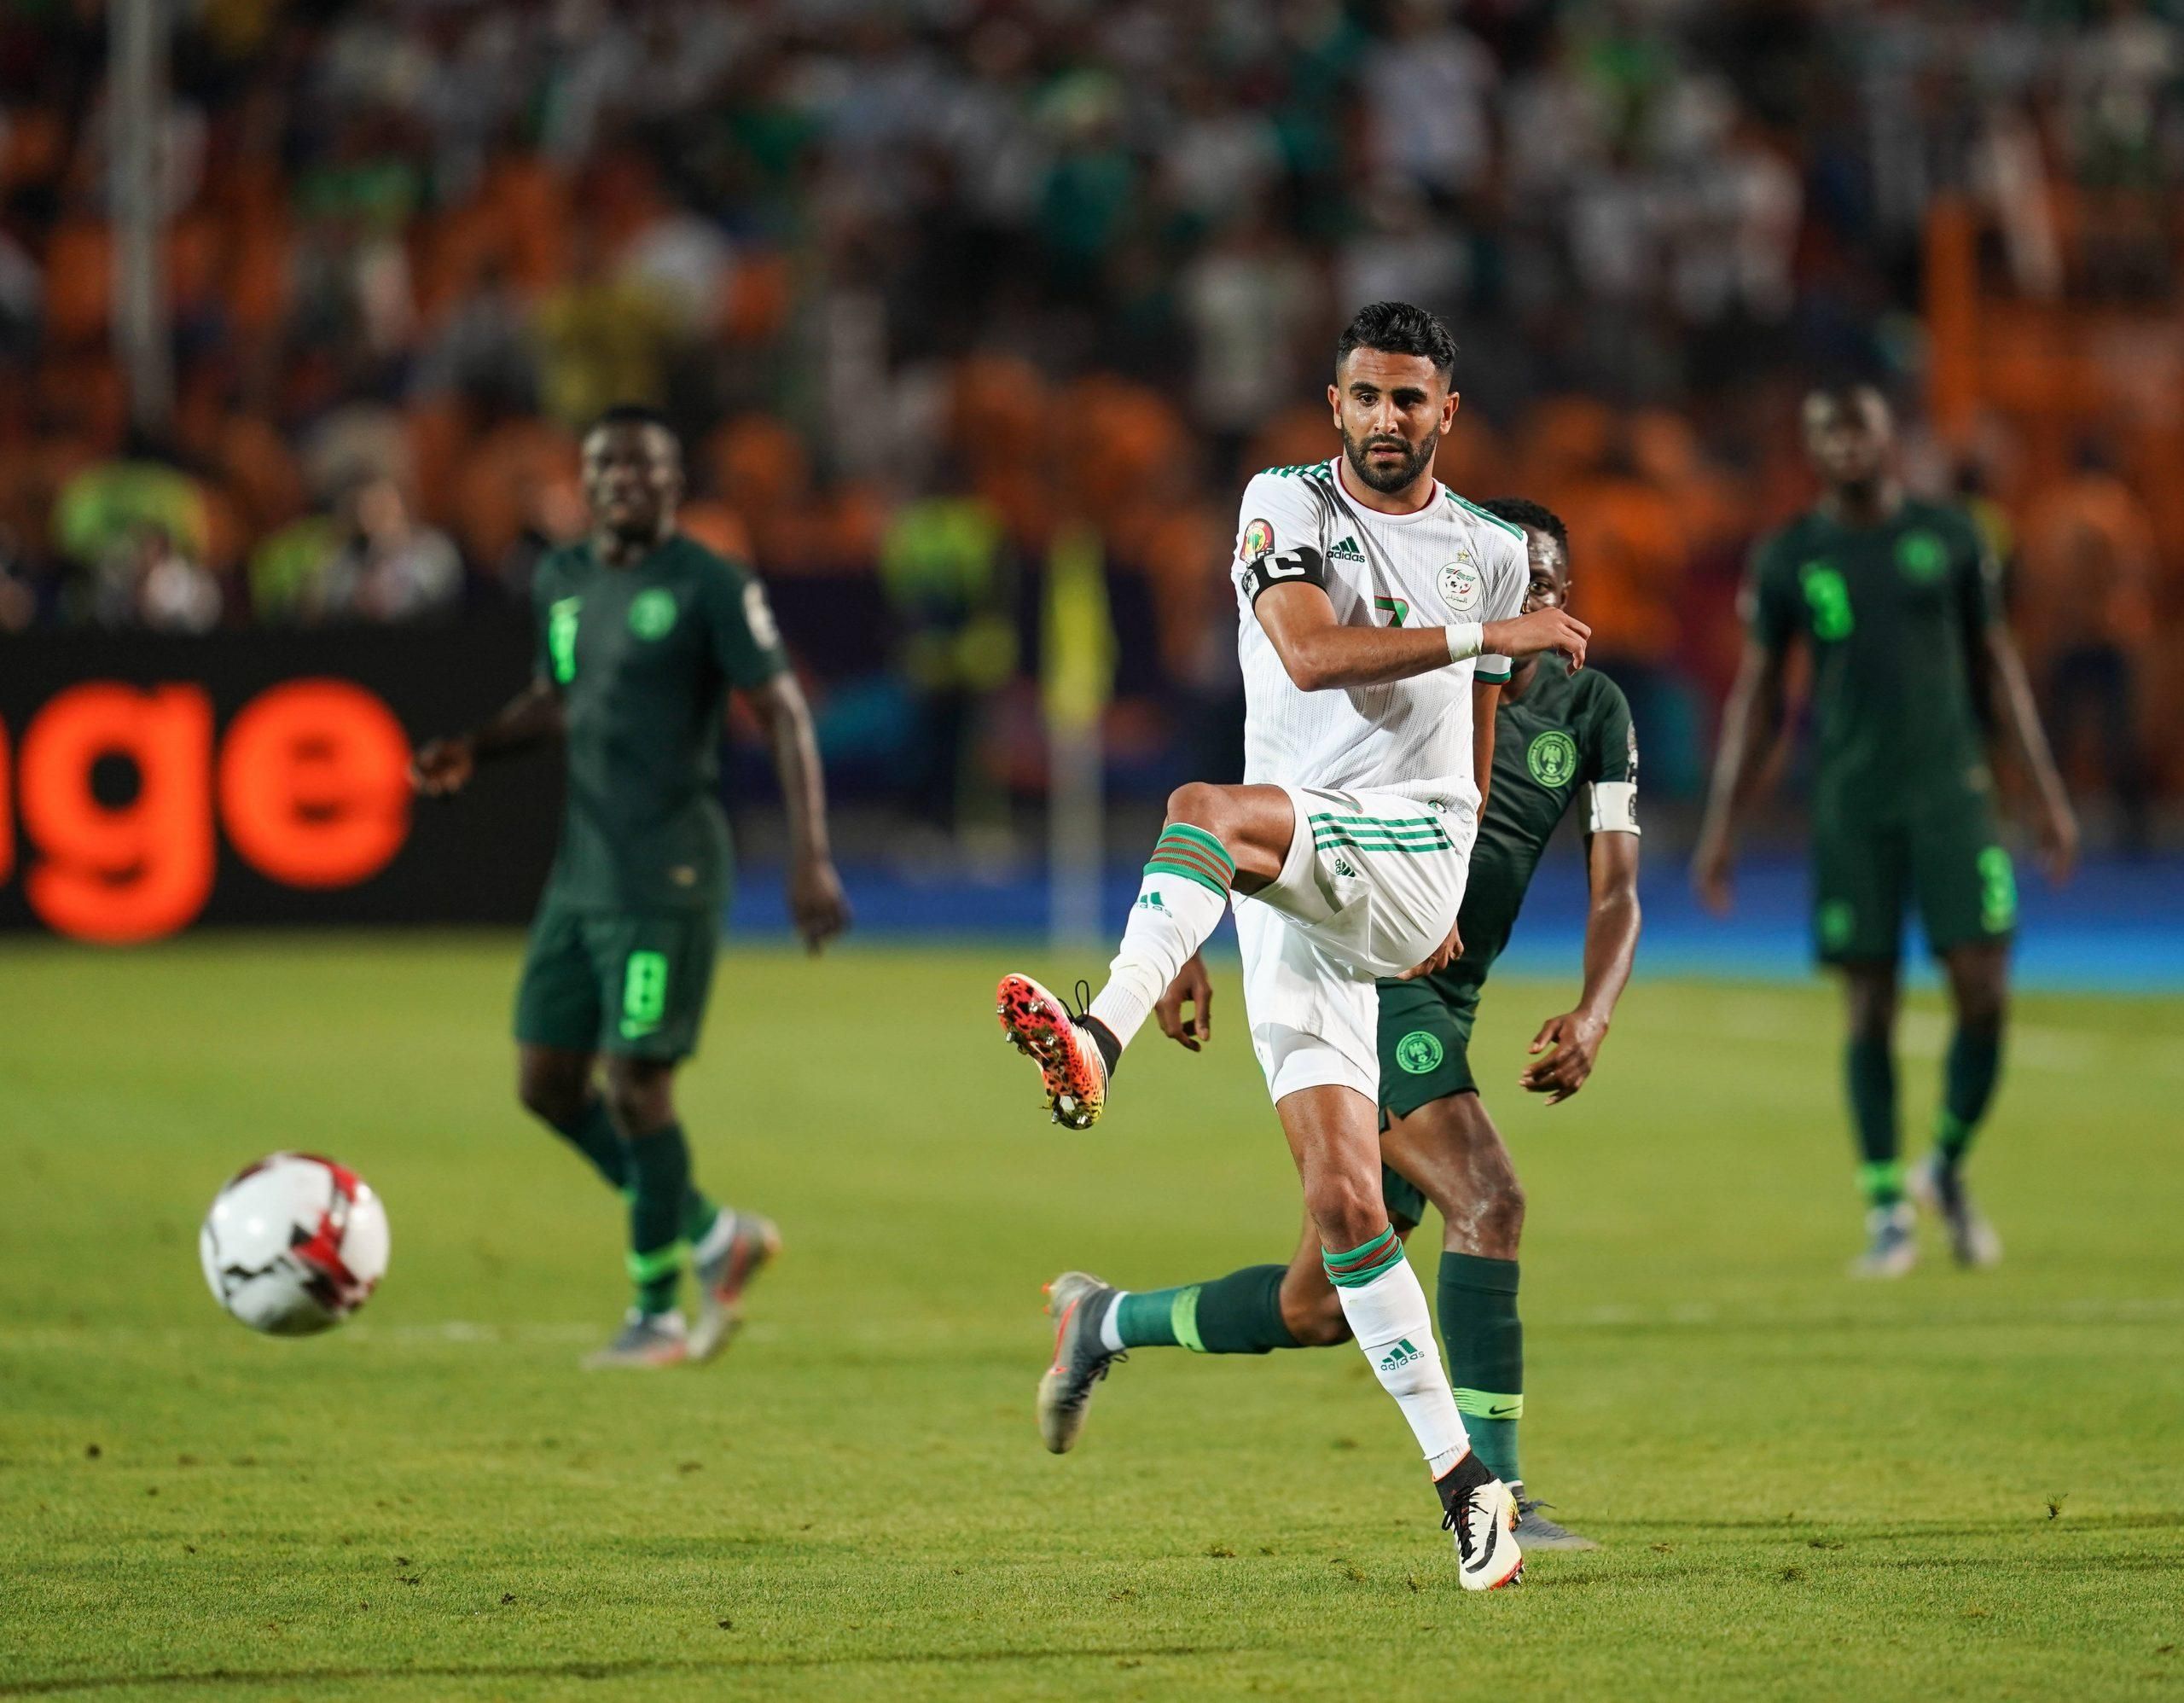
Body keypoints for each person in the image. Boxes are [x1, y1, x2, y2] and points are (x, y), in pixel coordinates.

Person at [995, 302, 1589, 1590]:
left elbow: (1477, 754)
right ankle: (1467, 1492)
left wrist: (1446, 899)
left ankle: (1101, 1037)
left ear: (1448, 412)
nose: (1388, 419)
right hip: (1294, 886)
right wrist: (1196, 919)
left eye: (1411, 399)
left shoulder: (1486, 550)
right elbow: (1311, 660)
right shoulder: (1283, 504)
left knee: (1200, 808)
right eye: (1367, 396)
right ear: (1335, 406)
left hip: (1403, 854)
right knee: (1342, 1212)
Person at [412, 405, 850, 1366]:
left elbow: (780, 711)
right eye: (608, 468)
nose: (625, 484)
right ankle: (709, 1231)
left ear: (673, 481)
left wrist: (809, 852)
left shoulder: (709, 585)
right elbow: (561, 696)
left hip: (669, 874)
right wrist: (475, 748)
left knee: (637, 1085)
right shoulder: (563, 580)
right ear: (586, 480)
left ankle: (655, 1312)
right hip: (583, 874)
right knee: (546, 1082)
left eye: (645, 469)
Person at [1692, 386, 2076, 1276]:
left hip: (1953, 798)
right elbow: (1758, 698)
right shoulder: (1790, 556)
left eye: (1858, 429)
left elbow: (1996, 665)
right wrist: (1723, 824)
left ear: (1887, 437)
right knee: (1869, 1005)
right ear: (1811, 449)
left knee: (1983, 988)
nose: (1845, 447)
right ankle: (1883, 1207)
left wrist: (2043, 791)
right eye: (1825, 433)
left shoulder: (1951, 537)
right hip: (1853, 807)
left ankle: (1941, 1163)